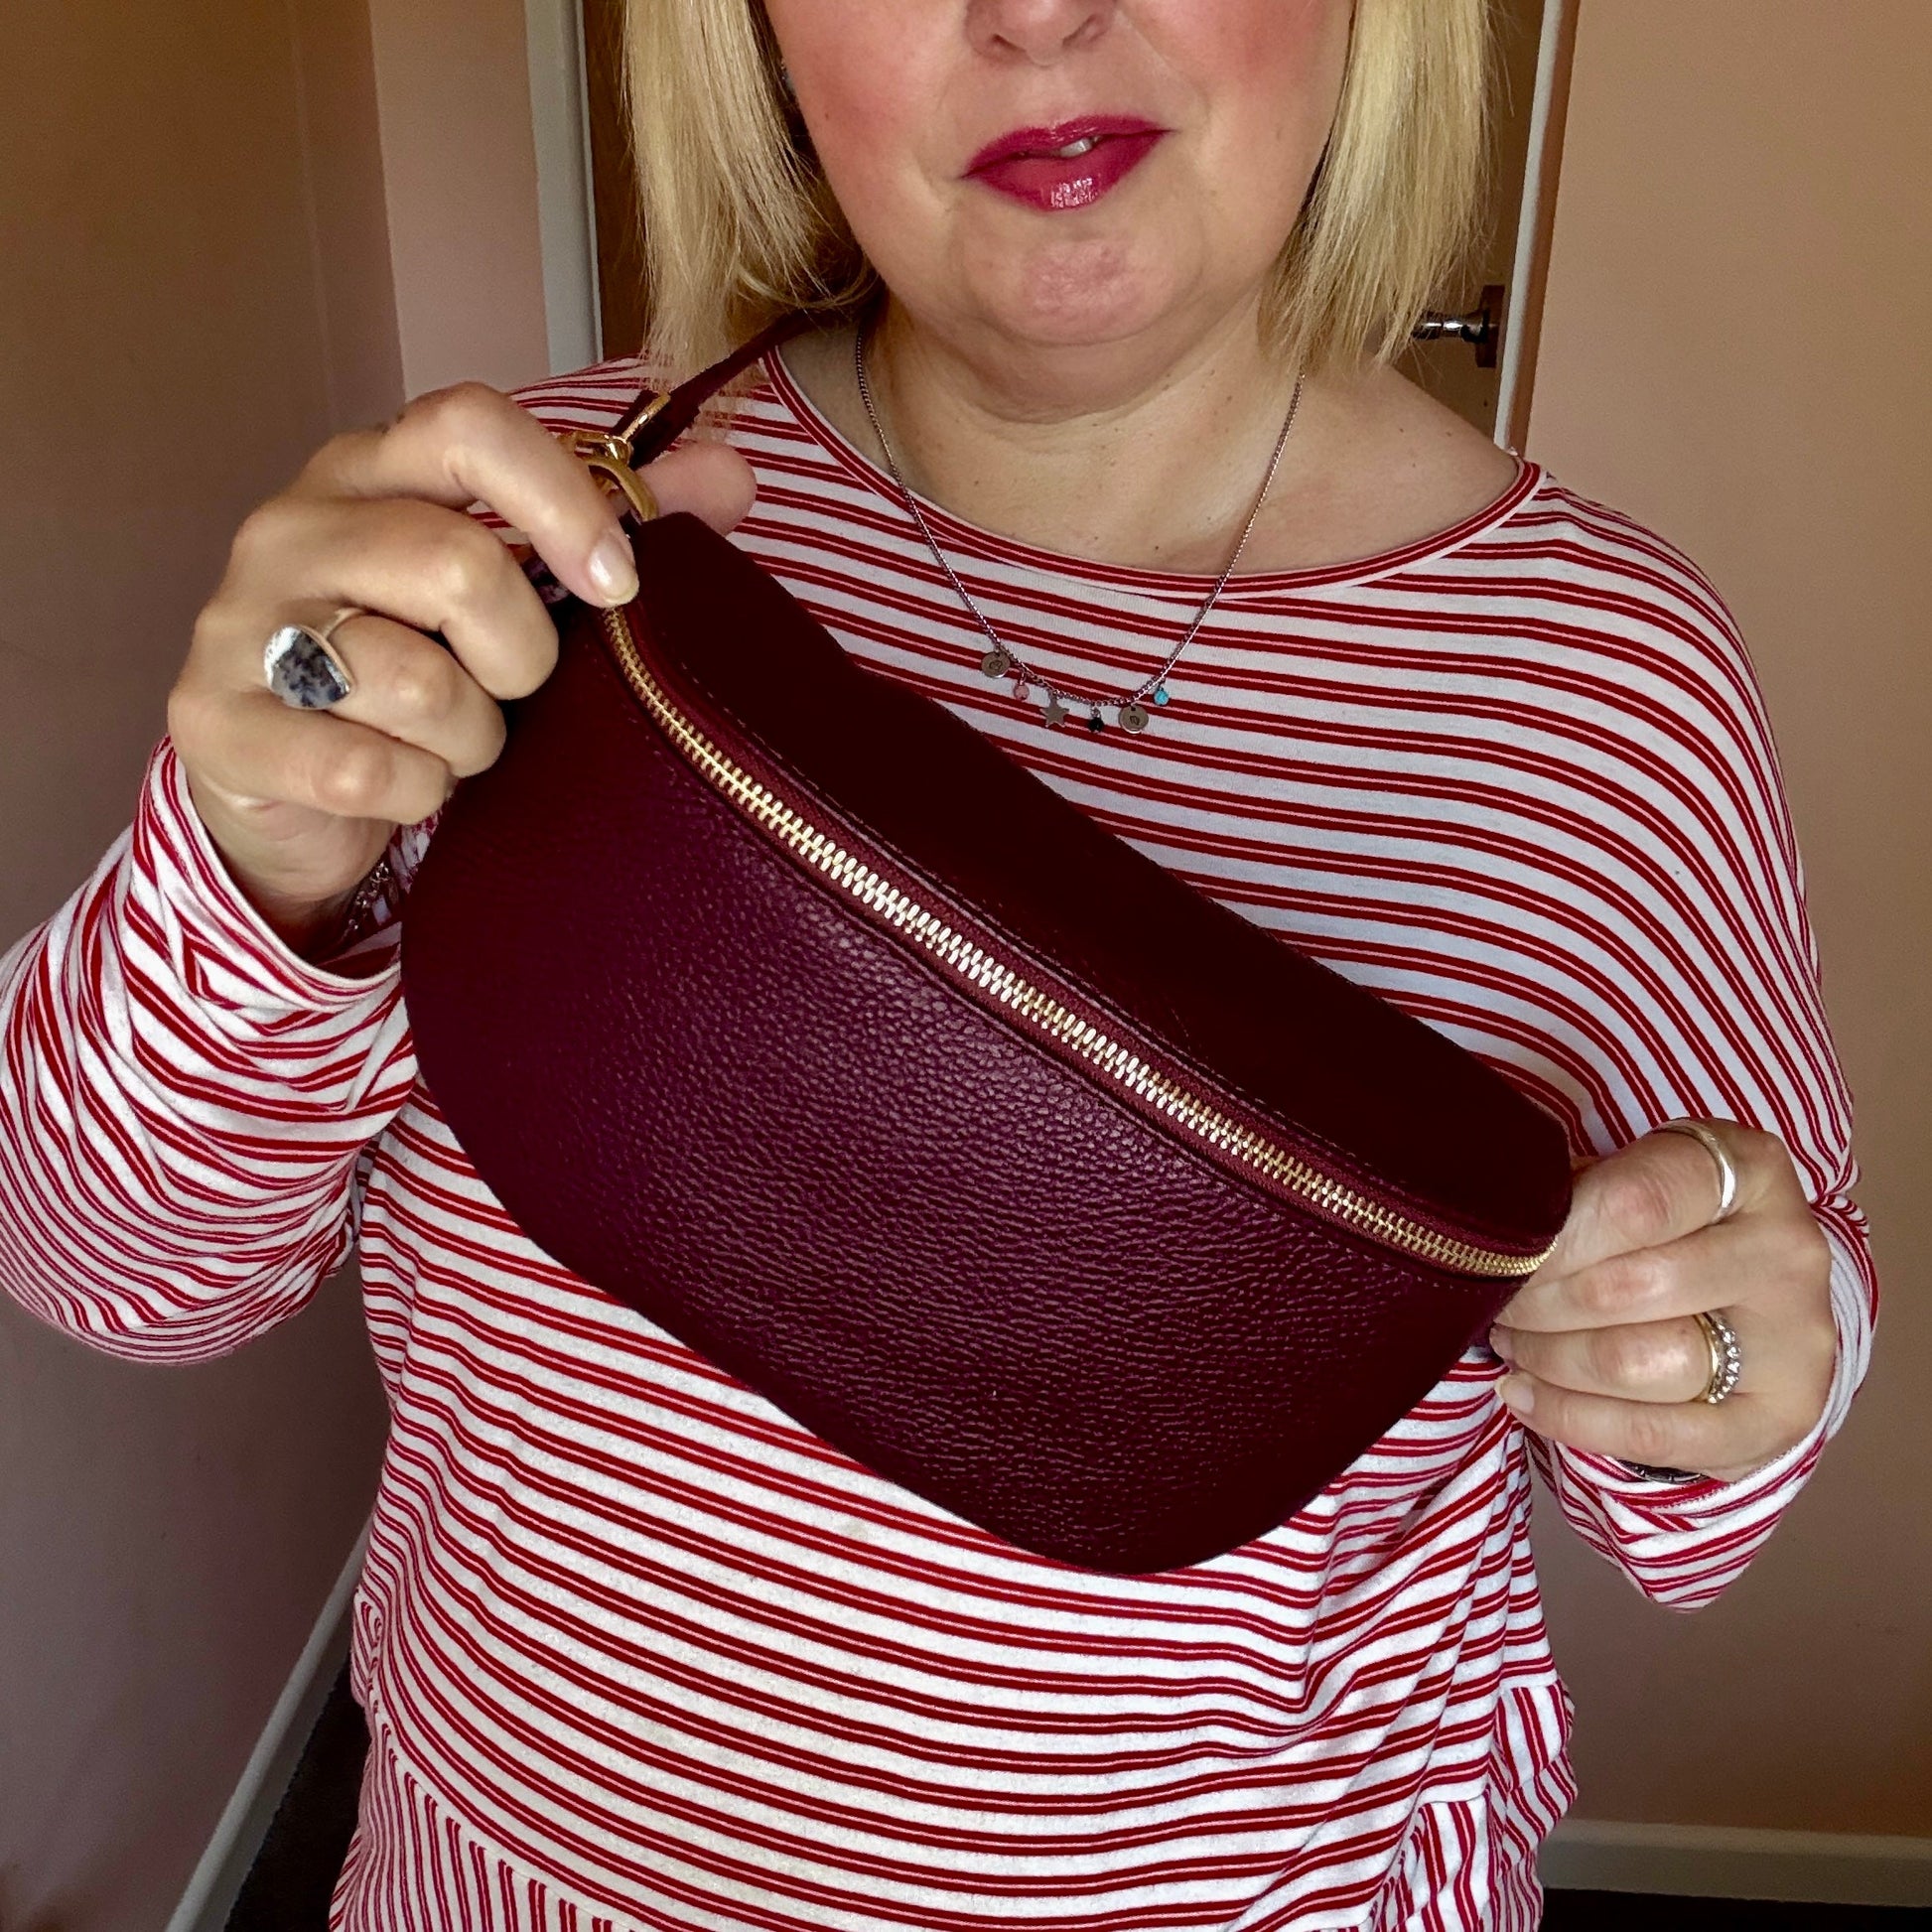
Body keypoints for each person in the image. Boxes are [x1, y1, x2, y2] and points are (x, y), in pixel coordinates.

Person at [0, 1, 1872, 1925]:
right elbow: (109, 1272)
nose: (1039, 11)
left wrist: (1741, 1344)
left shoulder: (1606, 687)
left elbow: (1695, 1510)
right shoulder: (521, 538)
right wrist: (247, 850)